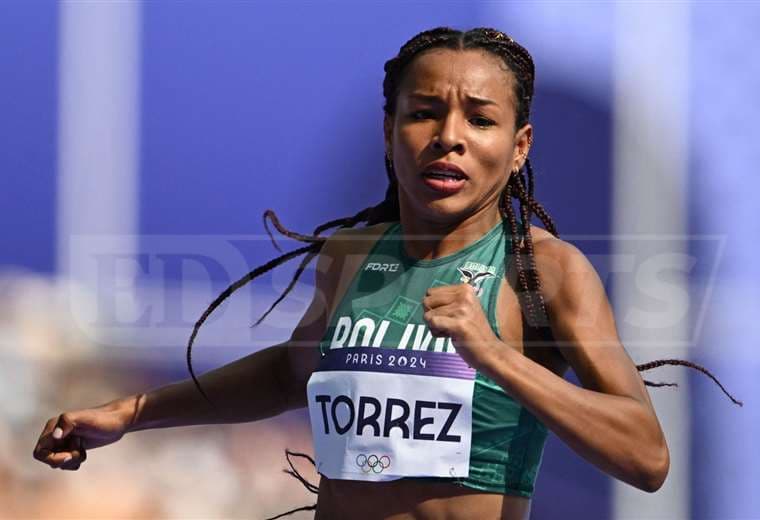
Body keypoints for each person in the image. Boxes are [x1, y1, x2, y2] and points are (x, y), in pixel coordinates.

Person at [33, 27, 741, 520]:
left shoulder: (546, 271)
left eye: (481, 120)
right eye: (425, 113)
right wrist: (130, 415)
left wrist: (496, 357)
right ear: (389, 129)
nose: (450, 137)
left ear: (519, 146)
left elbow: (646, 457)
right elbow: (289, 375)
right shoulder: (349, 257)